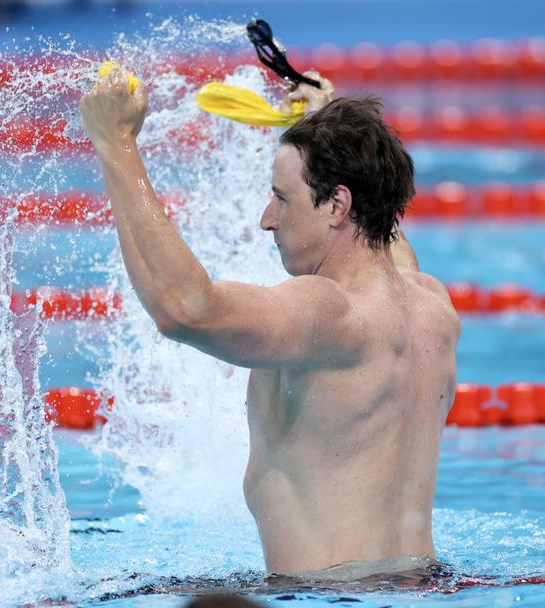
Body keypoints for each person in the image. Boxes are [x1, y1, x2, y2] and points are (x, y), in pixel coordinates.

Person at [79, 67, 459, 580]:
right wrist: (327, 124)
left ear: (338, 205)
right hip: (425, 587)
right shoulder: (432, 305)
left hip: (328, 595)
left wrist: (115, 142)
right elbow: (378, 216)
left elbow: (184, 309)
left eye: (282, 197)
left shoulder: (330, 314)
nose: (267, 218)